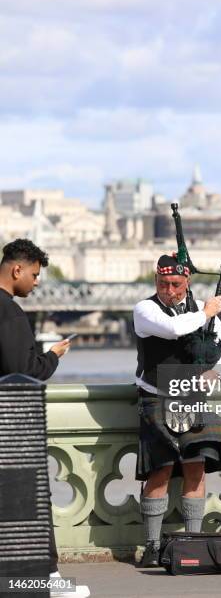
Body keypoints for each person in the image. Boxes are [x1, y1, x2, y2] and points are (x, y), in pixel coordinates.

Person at [134, 254, 221, 567]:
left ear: (188, 283)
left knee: (196, 468)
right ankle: (153, 548)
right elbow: (173, 329)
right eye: (162, 283)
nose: (169, 290)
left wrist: (216, 373)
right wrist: (207, 312)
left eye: (176, 284)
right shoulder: (144, 309)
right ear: (155, 281)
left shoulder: (198, 310)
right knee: (161, 469)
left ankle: (193, 544)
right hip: (155, 396)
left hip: (192, 398)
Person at [0, 238, 90, 598]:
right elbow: (22, 371)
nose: (36, 283)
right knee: (30, 503)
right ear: (16, 269)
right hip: (12, 423)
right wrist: (52, 355)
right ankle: (45, 579)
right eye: (34, 275)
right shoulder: (9, 312)